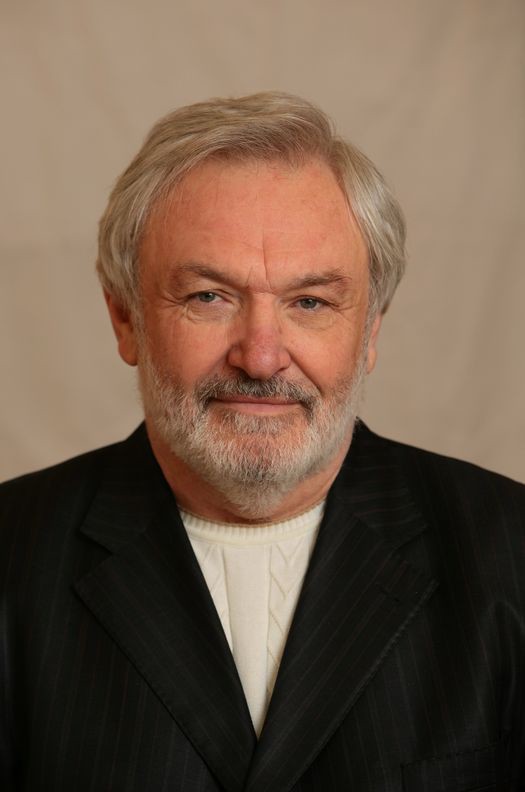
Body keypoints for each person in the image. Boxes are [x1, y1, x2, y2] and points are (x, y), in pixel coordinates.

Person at [1, 92, 524, 792]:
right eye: (208, 296)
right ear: (126, 320)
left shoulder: (511, 554)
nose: (261, 356)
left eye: (310, 302)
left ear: (369, 330)